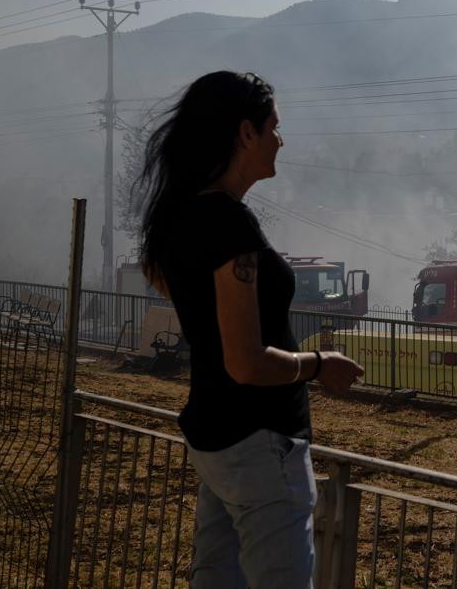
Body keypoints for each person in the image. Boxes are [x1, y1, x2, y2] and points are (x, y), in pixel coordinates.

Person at [137, 71, 364, 588]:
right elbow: (245, 361)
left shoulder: (183, 217)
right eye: (274, 127)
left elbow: (201, 318)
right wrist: (319, 365)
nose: (280, 141)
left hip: (216, 439)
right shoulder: (228, 224)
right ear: (245, 133)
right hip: (261, 444)